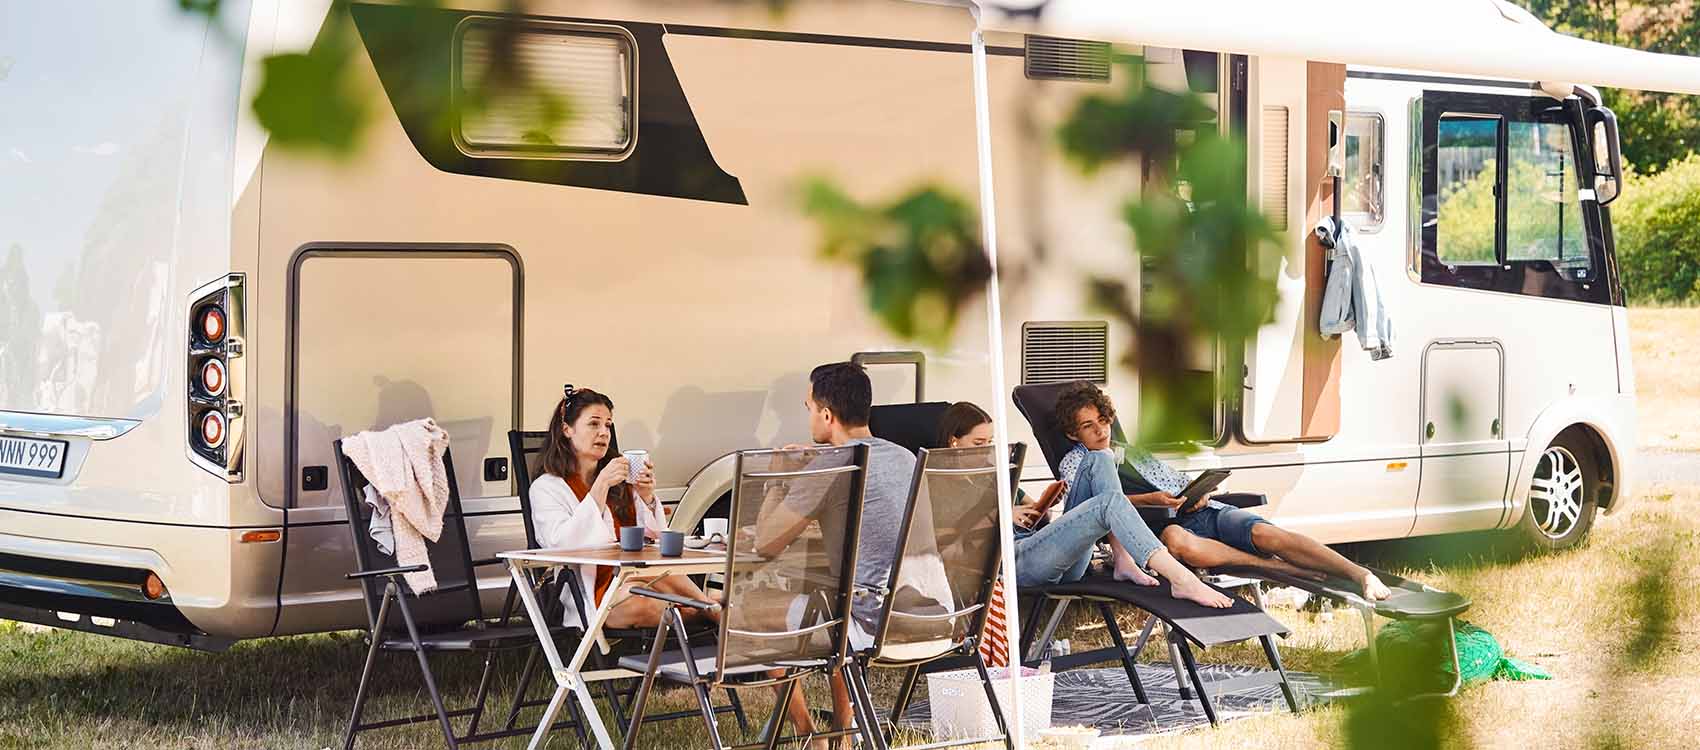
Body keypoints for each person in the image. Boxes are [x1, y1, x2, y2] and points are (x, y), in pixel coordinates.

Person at [1051, 382, 1391, 601]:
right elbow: (1092, 508)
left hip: (1198, 511)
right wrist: (1151, 502)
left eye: (1103, 421)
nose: (1100, 430)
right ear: (1072, 434)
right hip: (1161, 530)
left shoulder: (1132, 450)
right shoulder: (1077, 463)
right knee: (1178, 540)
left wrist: (1196, 491)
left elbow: (1173, 479)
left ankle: (1360, 574)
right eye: (1087, 426)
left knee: (1264, 533)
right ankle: (1278, 569)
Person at [752, 362, 917, 743]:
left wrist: (780, 477)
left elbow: (766, 543)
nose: (808, 416)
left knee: (755, 610)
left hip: (871, 620)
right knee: (830, 599)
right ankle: (845, 731)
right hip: (928, 613)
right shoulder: (904, 457)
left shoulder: (834, 464)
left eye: (808, 407)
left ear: (827, 415)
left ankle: (809, 735)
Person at [936, 401, 1231, 608]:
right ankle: (1181, 579)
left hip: (1045, 553)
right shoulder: (939, 481)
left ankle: (1123, 559)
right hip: (1014, 564)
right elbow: (941, 545)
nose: (988, 449)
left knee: (1100, 457)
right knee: (1107, 504)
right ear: (953, 441)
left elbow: (1041, 515)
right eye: (979, 443)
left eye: (991, 441)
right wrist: (999, 515)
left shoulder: (994, 475)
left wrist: (1040, 508)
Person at [528, 386, 719, 629]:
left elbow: (653, 540)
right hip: (590, 592)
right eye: (594, 424)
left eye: (608, 425)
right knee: (643, 604)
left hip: (635, 580)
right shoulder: (547, 488)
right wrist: (600, 486)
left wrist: (646, 496)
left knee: (651, 574)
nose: (603, 433)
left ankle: (709, 611)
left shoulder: (620, 482)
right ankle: (711, 612)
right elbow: (560, 544)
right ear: (567, 429)